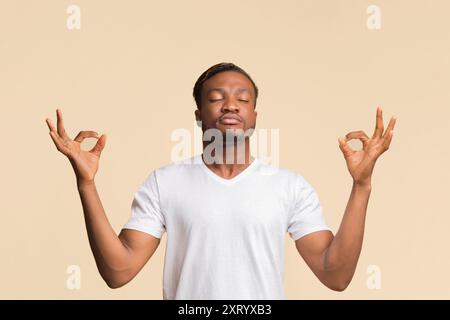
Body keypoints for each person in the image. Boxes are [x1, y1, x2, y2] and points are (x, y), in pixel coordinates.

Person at [45, 62, 396, 299]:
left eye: (242, 99)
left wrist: (361, 186)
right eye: (216, 98)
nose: (230, 105)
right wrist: (86, 184)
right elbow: (117, 272)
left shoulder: (289, 187)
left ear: (255, 116)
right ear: (199, 114)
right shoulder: (164, 183)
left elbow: (335, 275)